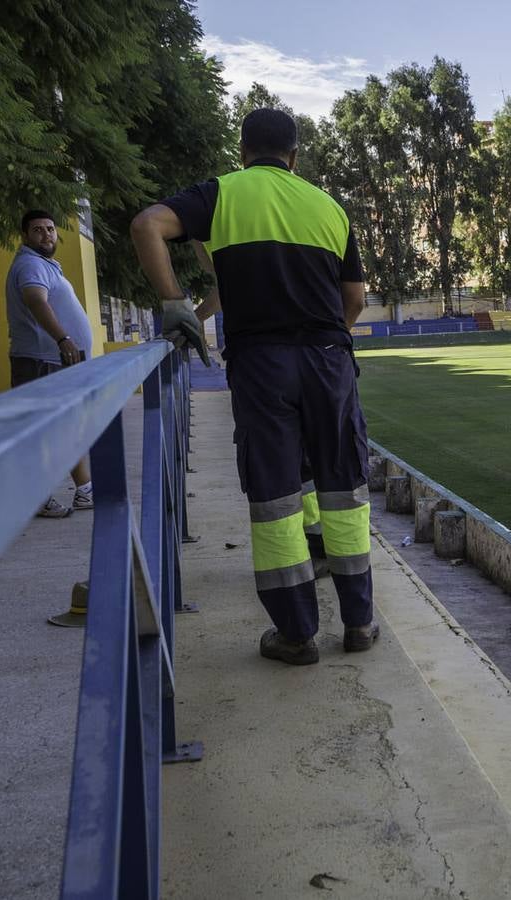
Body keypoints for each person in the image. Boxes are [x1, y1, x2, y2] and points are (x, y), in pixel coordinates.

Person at [129, 108, 374, 666]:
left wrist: (174, 304)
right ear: (294, 157)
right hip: (328, 360)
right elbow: (354, 297)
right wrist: (328, 342)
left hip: (261, 364)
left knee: (276, 495)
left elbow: (148, 226)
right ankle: (359, 622)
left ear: (243, 153)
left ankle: (297, 634)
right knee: (342, 487)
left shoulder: (222, 195)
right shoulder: (329, 207)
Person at [5, 210, 94, 517]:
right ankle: (38, 496)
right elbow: (35, 300)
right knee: (44, 433)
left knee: (68, 427)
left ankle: (83, 490)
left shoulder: (44, 265)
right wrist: (63, 338)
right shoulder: (30, 264)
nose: (46, 235)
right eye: (38, 230)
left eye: (50, 229)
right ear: (25, 236)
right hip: (41, 361)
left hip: (54, 362)